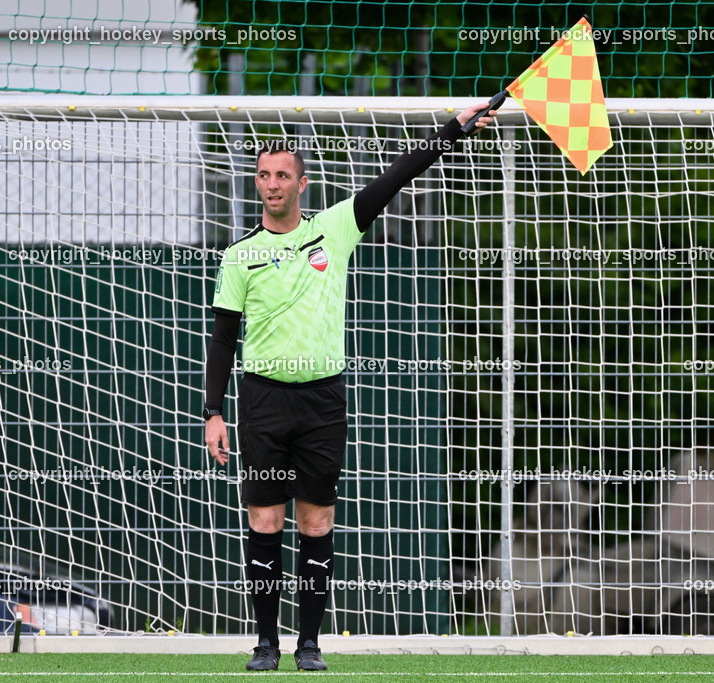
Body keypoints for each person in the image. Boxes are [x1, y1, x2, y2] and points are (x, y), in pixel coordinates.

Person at [202, 101, 498, 671]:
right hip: (261, 401)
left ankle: (308, 645)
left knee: (316, 521)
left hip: (322, 401)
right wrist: (213, 412)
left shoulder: (333, 230)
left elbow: (396, 176)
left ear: (301, 182)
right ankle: (266, 645)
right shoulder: (239, 257)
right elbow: (221, 341)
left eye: (282, 174)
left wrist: (452, 130)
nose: (271, 185)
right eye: (263, 174)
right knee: (265, 521)